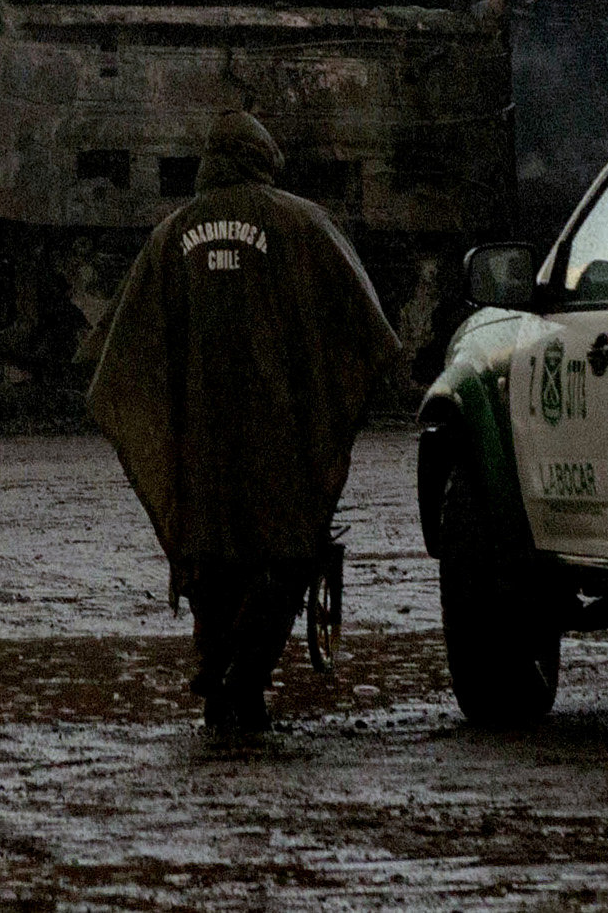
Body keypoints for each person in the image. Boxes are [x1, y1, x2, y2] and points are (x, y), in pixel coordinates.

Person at [87, 109, 401, 741]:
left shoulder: (167, 238)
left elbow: (125, 361)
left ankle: (215, 675)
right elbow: (369, 333)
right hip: (279, 446)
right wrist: (329, 411)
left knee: (206, 561)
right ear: (265, 158)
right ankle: (246, 682)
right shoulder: (304, 224)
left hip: (199, 451)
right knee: (284, 557)